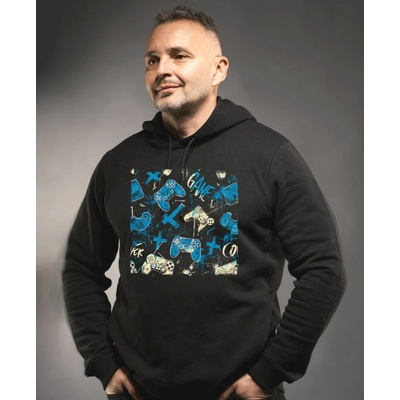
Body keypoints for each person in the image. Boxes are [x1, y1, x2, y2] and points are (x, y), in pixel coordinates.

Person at [62, 5, 346, 400]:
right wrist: (101, 360)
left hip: (241, 394)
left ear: (218, 70)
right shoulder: (118, 164)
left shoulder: (269, 156)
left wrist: (271, 371)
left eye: (179, 55)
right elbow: (80, 267)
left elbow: (324, 269)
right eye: (152, 60)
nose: (161, 69)